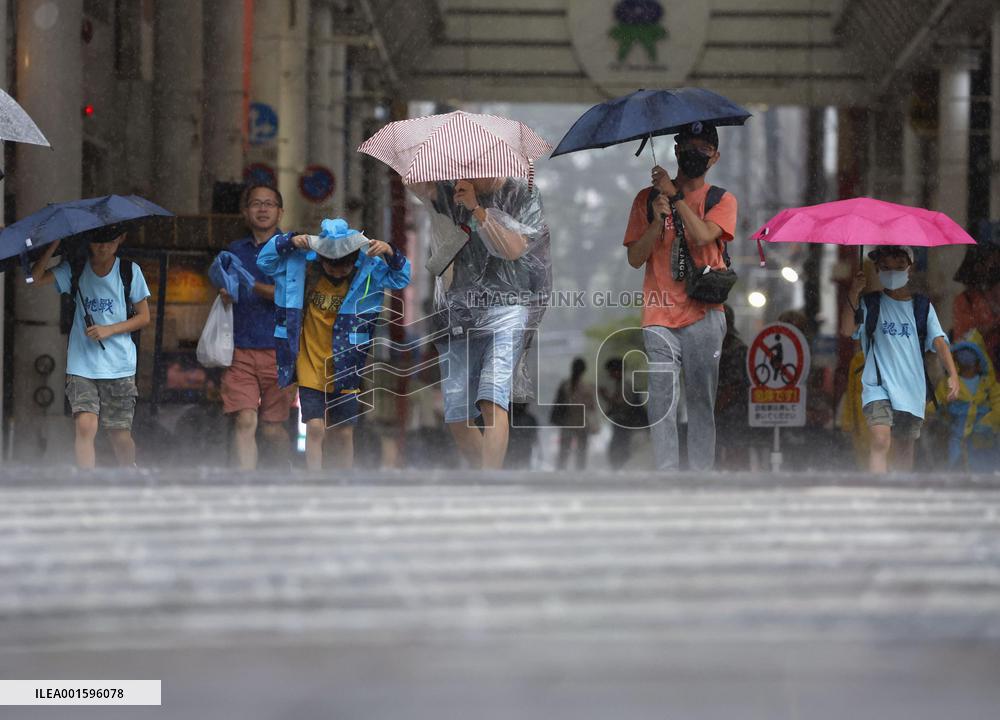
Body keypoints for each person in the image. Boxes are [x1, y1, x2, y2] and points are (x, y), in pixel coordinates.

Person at [411, 176, 551, 470]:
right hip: (461, 311)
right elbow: (412, 182)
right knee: (456, 414)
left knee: (492, 398)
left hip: (508, 307)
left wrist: (477, 209)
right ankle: (482, 474)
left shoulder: (522, 194)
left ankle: (490, 481)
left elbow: (514, 248)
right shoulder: (451, 190)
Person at [622, 121, 737, 472]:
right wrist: (657, 220)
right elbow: (635, 257)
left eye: (702, 150)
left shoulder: (721, 199)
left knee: (701, 402)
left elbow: (703, 236)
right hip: (659, 317)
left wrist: (676, 197)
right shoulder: (646, 199)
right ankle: (667, 477)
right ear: (675, 150)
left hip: (704, 314)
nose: (693, 155)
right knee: (661, 403)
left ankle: (701, 478)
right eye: (687, 147)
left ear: (714, 157)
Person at [257, 218, 411, 471]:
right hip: (309, 364)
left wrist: (390, 251)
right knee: (315, 428)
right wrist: (289, 241)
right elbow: (265, 261)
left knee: (344, 431)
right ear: (321, 260)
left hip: (346, 364)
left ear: (354, 261)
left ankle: (344, 480)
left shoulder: (369, 272)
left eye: (345, 267)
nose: (338, 272)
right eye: (331, 266)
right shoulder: (300, 268)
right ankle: (314, 481)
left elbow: (401, 278)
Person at [30, 234, 151, 468]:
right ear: (88, 241)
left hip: (119, 365)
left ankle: (130, 471)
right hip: (82, 363)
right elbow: (34, 278)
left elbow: (145, 317)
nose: (103, 246)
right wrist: (54, 243)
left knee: (119, 433)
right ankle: (88, 483)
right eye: (98, 240)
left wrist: (110, 329)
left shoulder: (128, 270)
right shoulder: (76, 268)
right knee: (85, 425)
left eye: (110, 240)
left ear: (121, 239)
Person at [849, 245, 959, 473]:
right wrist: (853, 293)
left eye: (899, 267)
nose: (892, 272)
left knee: (904, 448)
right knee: (880, 440)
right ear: (877, 270)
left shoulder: (922, 307)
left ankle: (900, 493)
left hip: (911, 388)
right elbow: (845, 328)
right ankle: (878, 493)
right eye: (885, 267)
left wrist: (953, 374)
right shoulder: (870, 303)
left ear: (910, 269)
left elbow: (938, 340)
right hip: (877, 386)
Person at [212, 184, 296, 470]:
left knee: (273, 429)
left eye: (269, 204)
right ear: (246, 212)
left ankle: (283, 470)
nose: (262, 209)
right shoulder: (235, 250)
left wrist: (254, 285)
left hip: (279, 350)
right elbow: (229, 287)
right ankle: (245, 485)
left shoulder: (290, 250)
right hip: (240, 349)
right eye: (256, 203)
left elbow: (289, 296)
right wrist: (227, 292)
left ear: (280, 211)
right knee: (245, 419)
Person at [927, 335, 1000, 472]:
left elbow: (998, 408)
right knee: (958, 472)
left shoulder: (989, 385)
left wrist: (987, 423)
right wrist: (926, 414)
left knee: (986, 472)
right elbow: (935, 406)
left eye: (971, 353)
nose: (967, 359)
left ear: (980, 361)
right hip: (958, 441)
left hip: (985, 442)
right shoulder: (949, 384)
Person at [714, 305, 750, 470]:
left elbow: (736, 384)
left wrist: (718, 405)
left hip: (735, 413)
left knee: (736, 451)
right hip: (717, 412)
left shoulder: (738, 350)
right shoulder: (711, 348)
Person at [600, 357, 647, 470]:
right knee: (618, 448)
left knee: (620, 449)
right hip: (624, 424)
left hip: (627, 424)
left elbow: (622, 403)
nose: (609, 374)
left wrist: (606, 396)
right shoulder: (620, 383)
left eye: (611, 371)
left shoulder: (625, 384)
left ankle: (621, 470)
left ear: (617, 371)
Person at [552, 357, 596, 470]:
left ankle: (561, 472)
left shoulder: (565, 384)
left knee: (564, 451)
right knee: (581, 452)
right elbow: (592, 407)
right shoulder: (587, 386)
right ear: (584, 370)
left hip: (568, 422)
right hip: (581, 422)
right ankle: (579, 474)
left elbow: (558, 403)